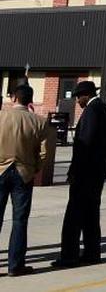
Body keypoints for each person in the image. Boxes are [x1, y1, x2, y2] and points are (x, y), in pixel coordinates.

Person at [52, 81, 106, 268]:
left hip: (85, 173)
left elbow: (84, 144)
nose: (77, 101)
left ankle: (69, 256)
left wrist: (75, 170)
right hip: (98, 172)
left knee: (73, 216)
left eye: (78, 97)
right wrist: (103, 158)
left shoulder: (91, 111)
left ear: (86, 95)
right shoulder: (105, 110)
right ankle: (92, 253)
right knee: (91, 214)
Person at [0, 84, 49, 277]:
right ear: (30, 100)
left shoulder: (1, 117)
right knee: (19, 221)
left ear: (13, 98)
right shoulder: (39, 122)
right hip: (24, 173)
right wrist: (34, 168)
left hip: (1, 170)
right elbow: (44, 153)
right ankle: (15, 265)